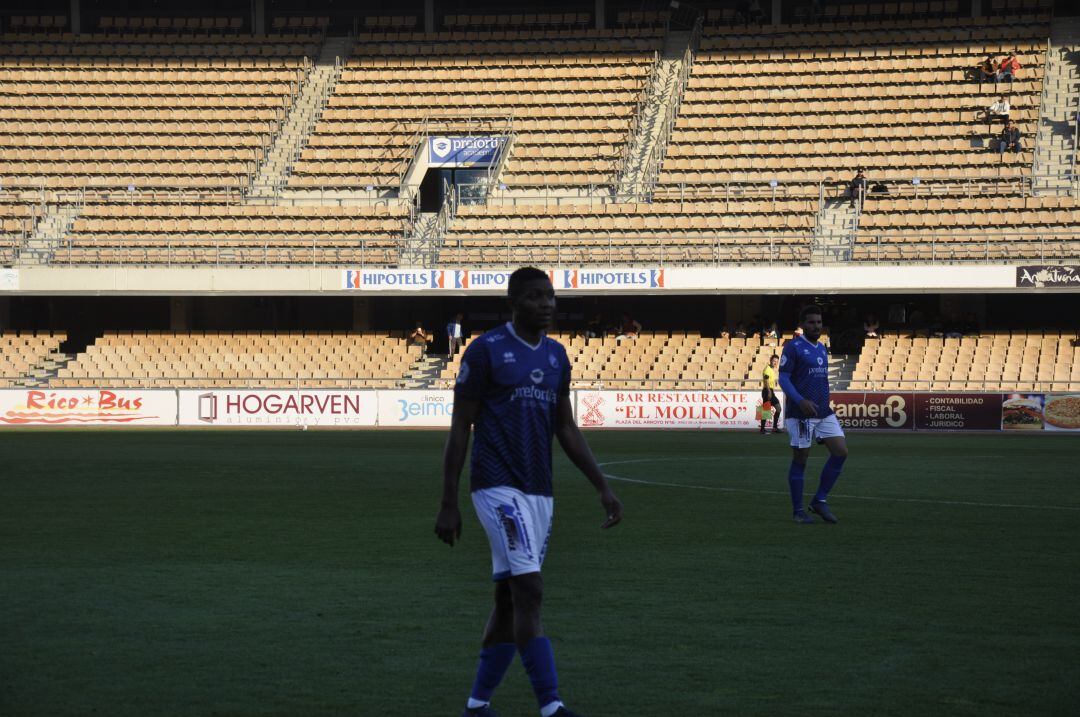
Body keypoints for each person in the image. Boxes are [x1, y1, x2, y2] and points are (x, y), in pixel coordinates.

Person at [435, 267, 623, 717]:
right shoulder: (485, 352)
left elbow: (565, 426)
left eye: (551, 297)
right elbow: (461, 426)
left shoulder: (557, 357)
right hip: (496, 486)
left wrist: (602, 486)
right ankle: (552, 706)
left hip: (539, 491)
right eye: (536, 297)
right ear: (514, 303)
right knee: (531, 590)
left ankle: (477, 706)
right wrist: (449, 502)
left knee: (508, 599)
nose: (547, 305)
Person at [777, 305, 849, 524]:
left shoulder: (821, 348)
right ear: (802, 324)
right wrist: (800, 400)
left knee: (840, 452)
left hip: (823, 411)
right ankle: (798, 511)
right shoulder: (793, 347)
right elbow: (783, 378)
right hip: (800, 413)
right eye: (811, 322)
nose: (816, 326)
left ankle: (819, 500)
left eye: (819, 322)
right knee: (801, 458)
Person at [760, 354, 782, 434]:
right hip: (767, 391)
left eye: (776, 361)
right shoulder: (767, 369)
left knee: (778, 408)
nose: (775, 363)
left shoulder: (772, 369)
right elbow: (766, 380)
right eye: (774, 361)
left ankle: (774, 428)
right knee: (766, 410)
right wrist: (769, 391)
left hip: (771, 391)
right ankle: (762, 429)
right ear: (770, 361)